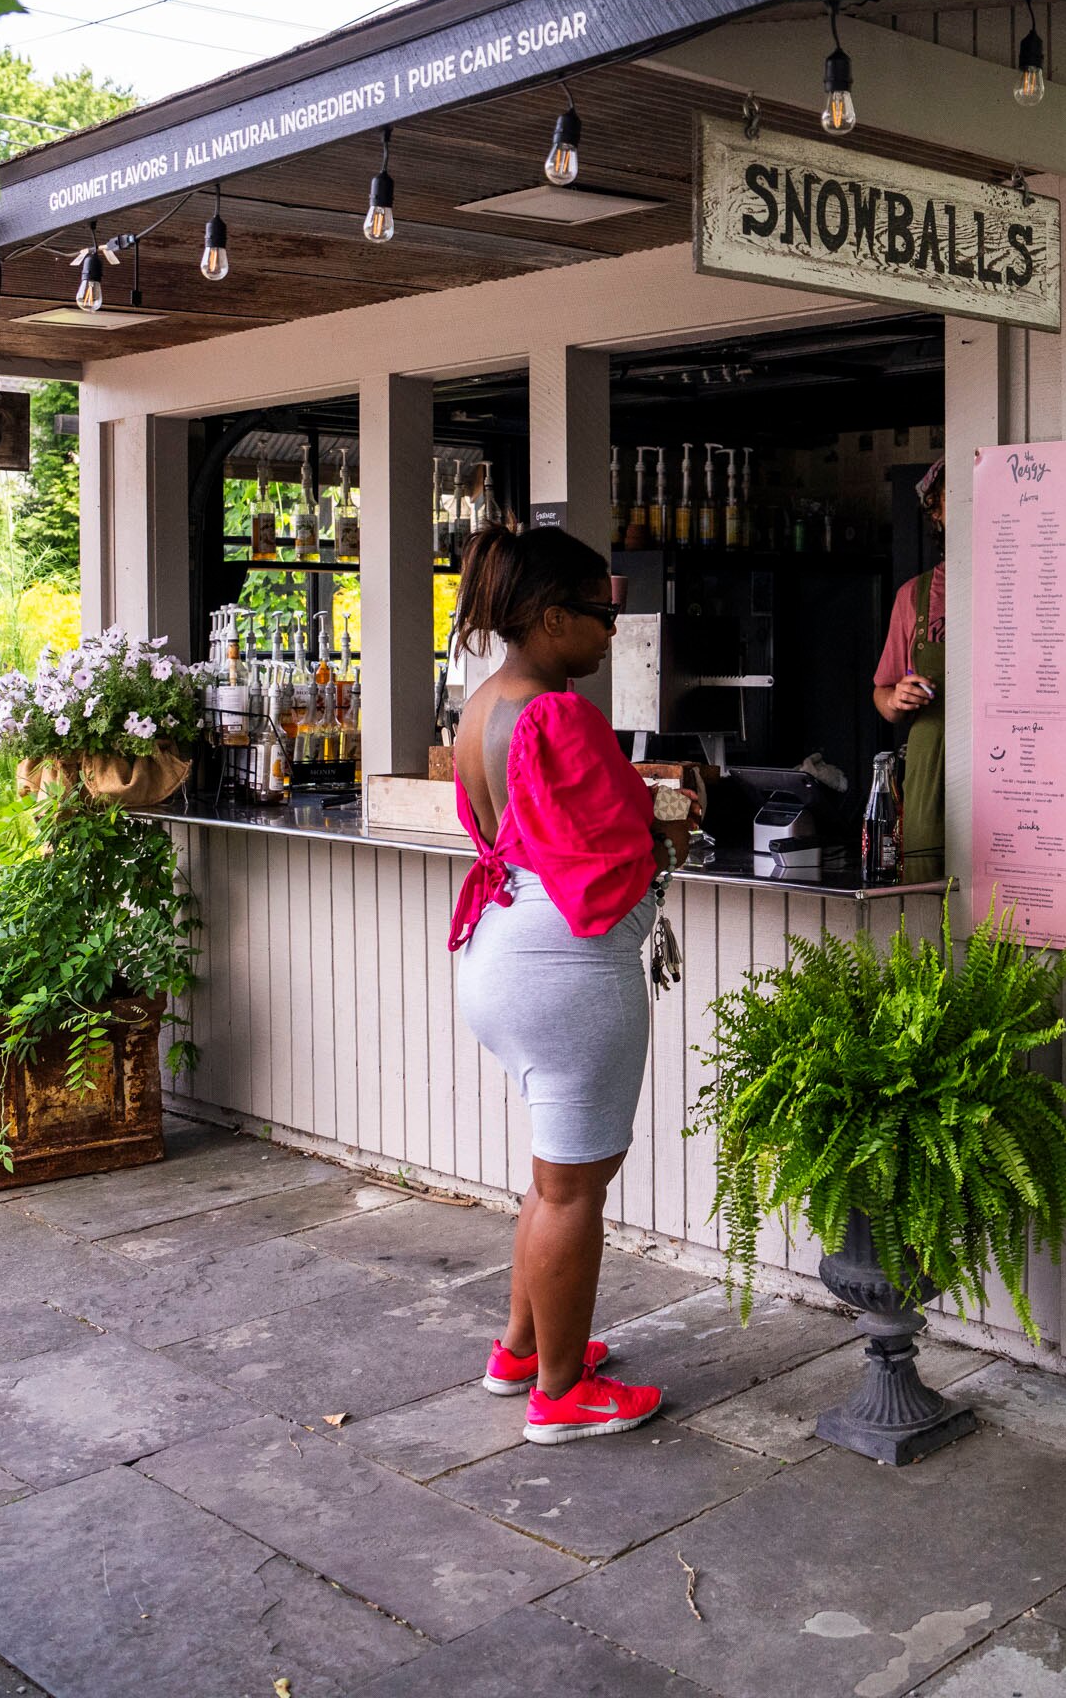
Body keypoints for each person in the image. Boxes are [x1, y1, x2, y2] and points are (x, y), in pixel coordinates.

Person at [445, 524, 681, 1444]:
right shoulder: (557, 712)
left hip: (501, 949)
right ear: (550, 619)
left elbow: (526, 827)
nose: (612, 631)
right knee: (575, 1189)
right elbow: (619, 843)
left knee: (553, 1180)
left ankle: (521, 1351)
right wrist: (668, 825)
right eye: (599, 613)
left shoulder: (483, 707)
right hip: (568, 969)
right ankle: (560, 1394)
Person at [869, 458, 949, 878]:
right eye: (952, 496)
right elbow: (882, 695)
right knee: (927, 893)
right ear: (935, 510)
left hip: (1011, 765)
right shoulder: (914, 595)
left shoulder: (1020, 585)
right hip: (930, 771)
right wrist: (898, 697)